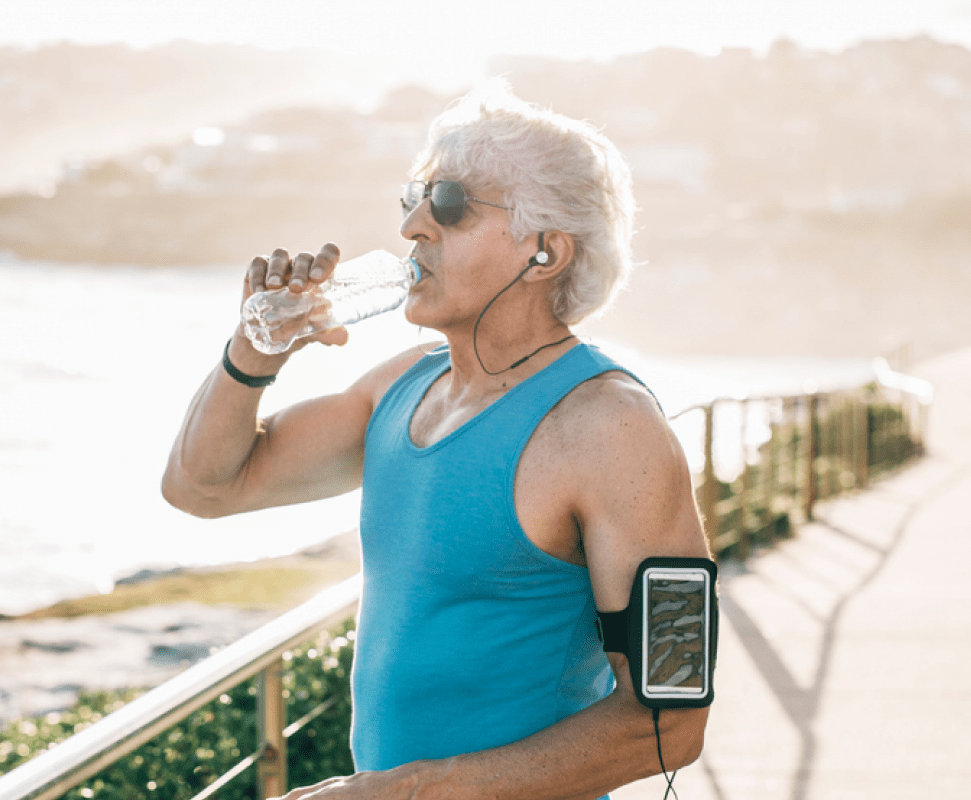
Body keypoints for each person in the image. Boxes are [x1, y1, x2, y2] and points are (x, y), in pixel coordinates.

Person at [161, 81, 712, 800]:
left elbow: (671, 723)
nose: (412, 227)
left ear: (545, 252)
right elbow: (203, 487)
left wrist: (409, 792)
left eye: (449, 204)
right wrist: (253, 350)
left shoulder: (614, 431)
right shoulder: (400, 386)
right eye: (413, 199)